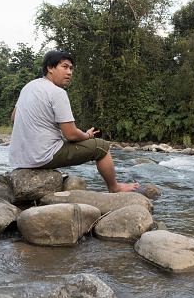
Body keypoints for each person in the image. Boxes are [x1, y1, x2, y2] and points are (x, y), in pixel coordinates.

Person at [9, 50, 138, 193]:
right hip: (42, 157)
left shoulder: (29, 86)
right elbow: (70, 135)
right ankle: (115, 188)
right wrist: (87, 136)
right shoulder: (57, 93)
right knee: (102, 147)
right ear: (50, 68)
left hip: (19, 159)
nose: (69, 72)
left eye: (71, 68)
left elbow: (14, 118)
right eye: (64, 67)